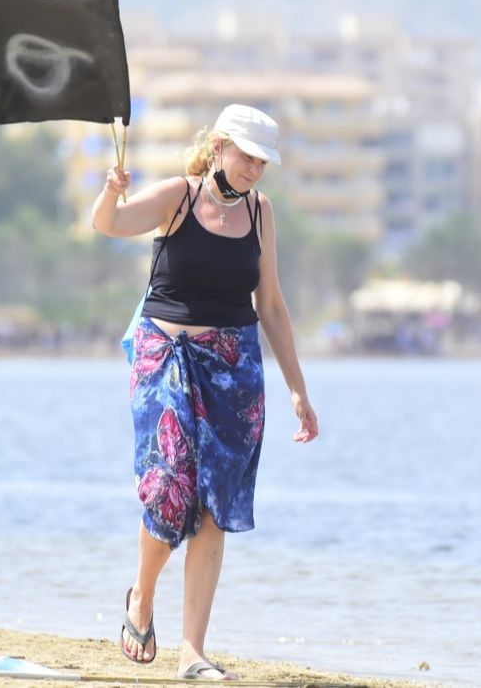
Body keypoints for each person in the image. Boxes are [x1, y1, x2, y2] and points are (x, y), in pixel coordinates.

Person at [90, 103, 319, 681]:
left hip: (233, 369)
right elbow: (108, 225)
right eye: (247, 155)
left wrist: (298, 389)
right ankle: (141, 597)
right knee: (169, 484)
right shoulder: (178, 197)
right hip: (164, 353)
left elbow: (270, 304)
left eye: (263, 161)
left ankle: (192, 652)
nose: (255, 169)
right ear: (219, 146)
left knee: (214, 506)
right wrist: (110, 191)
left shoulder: (262, 213)